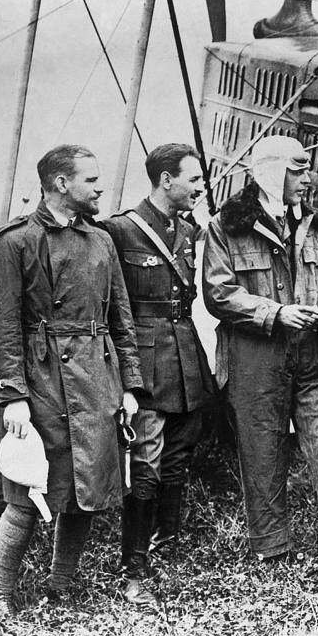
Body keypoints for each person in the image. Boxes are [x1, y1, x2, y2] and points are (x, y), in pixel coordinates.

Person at [0, 145, 144, 617]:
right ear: (59, 184)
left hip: (97, 378)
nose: (100, 187)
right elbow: (0, 323)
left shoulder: (101, 240)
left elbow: (121, 317)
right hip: (40, 379)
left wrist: (129, 385)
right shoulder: (15, 242)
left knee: (84, 490)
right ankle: (0, 597)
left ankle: (60, 585)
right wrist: (13, 395)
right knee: (29, 492)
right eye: (90, 180)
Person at [202, 135, 318, 564]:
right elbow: (218, 292)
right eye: (298, 169)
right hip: (256, 357)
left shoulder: (313, 222)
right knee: (262, 448)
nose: (308, 179)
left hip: (315, 350)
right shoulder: (226, 225)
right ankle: (272, 547)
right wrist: (275, 314)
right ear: (272, 171)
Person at [101, 144, 216, 604]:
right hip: (144, 360)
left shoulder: (188, 229)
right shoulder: (120, 230)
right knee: (144, 462)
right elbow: (111, 305)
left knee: (181, 448)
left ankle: (166, 536)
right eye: (193, 180)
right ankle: (134, 569)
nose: (200, 188)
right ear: (166, 180)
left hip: (184, 354)